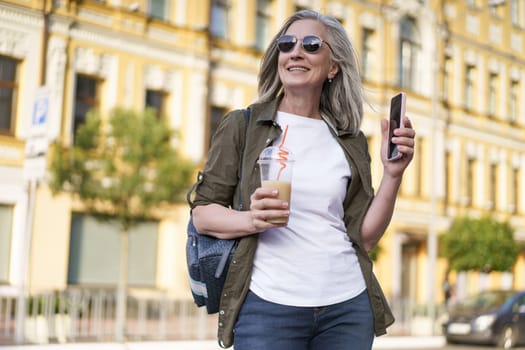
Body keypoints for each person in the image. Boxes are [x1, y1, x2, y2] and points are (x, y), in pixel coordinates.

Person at [190, 9, 416, 350]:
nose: (296, 51)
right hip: (268, 307)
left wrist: (393, 174)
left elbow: (365, 238)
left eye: (311, 45)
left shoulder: (349, 139)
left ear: (333, 66)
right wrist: (252, 219)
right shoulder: (244, 126)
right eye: (286, 44)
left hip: (347, 307)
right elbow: (202, 214)